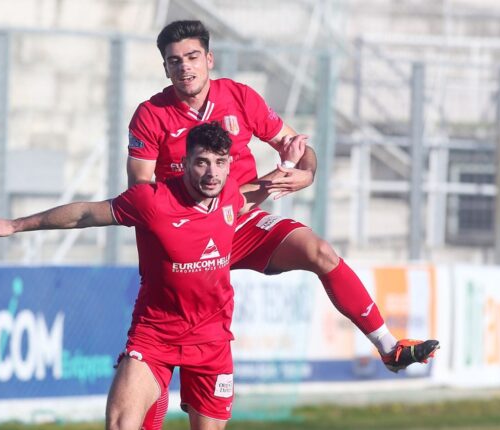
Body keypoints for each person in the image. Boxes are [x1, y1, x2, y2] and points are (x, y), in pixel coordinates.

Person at [127, 19, 439, 384]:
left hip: (241, 222)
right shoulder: (151, 114)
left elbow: (299, 148)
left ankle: (389, 348)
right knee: (158, 351)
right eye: (174, 61)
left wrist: (306, 172)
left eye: (192, 57)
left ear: (209, 59)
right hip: (183, 237)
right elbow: (141, 192)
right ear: (165, 68)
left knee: (320, 252)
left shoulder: (240, 97)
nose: (185, 67)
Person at [0, 122, 304, 430]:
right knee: (121, 424)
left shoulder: (228, 193)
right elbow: (85, 214)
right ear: (185, 163)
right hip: (155, 336)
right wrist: (16, 225)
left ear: (230, 164)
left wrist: (288, 165)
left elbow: (249, 195)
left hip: (212, 342)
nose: (212, 173)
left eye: (220, 162)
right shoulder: (152, 201)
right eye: (202, 162)